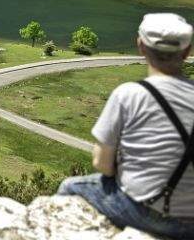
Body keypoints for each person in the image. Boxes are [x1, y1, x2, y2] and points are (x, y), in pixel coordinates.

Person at [58, 13, 194, 239]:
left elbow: (102, 164)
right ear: (187, 51)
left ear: (140, 46)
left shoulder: (129, 94)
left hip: (143, 211)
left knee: (70, 187)